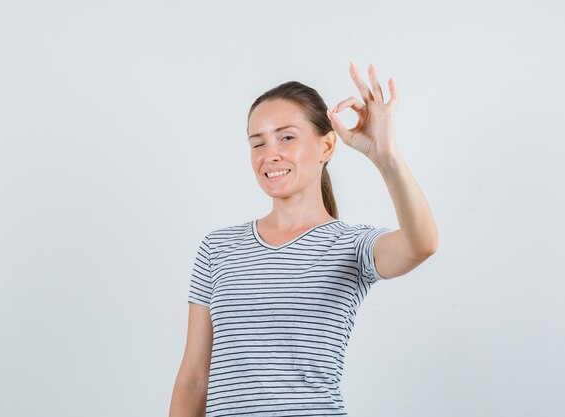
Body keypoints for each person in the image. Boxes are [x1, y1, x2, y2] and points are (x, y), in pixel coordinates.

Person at [169, 62, 438, 417]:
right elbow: (193, 380)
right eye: (257, 143)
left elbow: (421, 244)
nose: (270, 155)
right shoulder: (218, 249)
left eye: (287, 137)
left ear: (327, 146)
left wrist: (386, 156)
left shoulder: (350, 246)